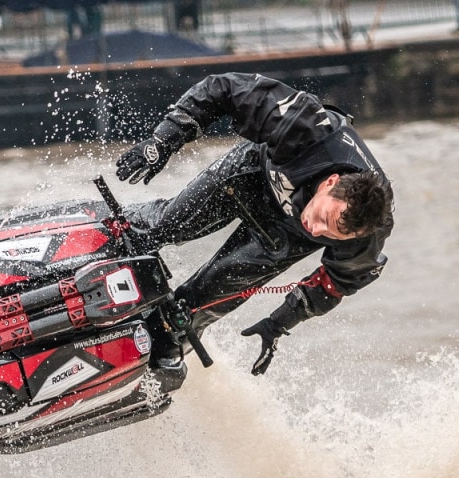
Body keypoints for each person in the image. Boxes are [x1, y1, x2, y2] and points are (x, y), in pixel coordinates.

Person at [114, 72, 394, 376]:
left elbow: (337, 283)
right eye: (324, 218)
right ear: (330, 182)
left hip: (283, 235)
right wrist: (164, 141)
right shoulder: (308, 129)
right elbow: (222, 89)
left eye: (331, 235)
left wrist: (279, 323)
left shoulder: (369, 232)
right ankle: (102, 235)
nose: (318, 231)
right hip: (249, 176)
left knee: (192, 309)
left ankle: (149, 359)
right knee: (162, 227)